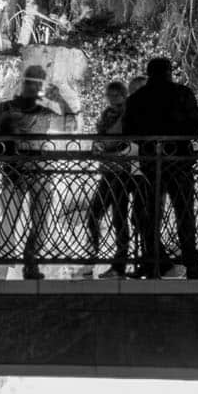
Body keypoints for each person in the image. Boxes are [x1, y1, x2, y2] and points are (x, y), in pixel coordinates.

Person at [122, 57, 198, 280]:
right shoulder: (182, 93)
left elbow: (128, 130)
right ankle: (192, 266)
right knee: (184, 213)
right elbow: (197, 122)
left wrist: (149, 142)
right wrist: (178, 137)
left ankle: (153, 263)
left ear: (149, 72)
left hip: (150, 162)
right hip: (179, 160)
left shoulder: (138, 99)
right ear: (169, 72)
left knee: (149, 214)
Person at [0, 61, 66, 280]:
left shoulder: (44, 110)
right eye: (32, 83)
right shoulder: (7, 108)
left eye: (38, 84)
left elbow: (71, 125)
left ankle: (25, 262)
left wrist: (57, 99)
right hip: (19, 169)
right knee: (13, 218)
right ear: (23, 83)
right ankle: (8, 267)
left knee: (36, 218)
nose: (35, 88)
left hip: (33, 169)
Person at [85, 80, 133, 277]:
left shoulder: (128, 113)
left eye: (117, 95)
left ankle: (118, 263)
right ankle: (92, 254)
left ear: (124, 95)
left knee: (118, 217)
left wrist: (105, 143)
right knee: (95, 214)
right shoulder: (107, 114)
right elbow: (102, 137)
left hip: (122, 170)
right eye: (110, 95)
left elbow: (117, 137)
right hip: (108, 169)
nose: (113, 99)